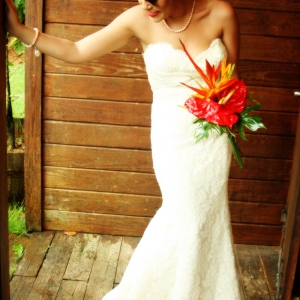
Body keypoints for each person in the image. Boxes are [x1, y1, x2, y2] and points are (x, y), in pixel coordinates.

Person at [5, 0, 244, 299]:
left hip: (212, 139)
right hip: (172, 137)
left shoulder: (221, 13)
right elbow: (76, 51)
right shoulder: (138, 18)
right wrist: (19, 29)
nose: (147, 4)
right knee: (184, 213)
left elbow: (232, 81)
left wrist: (230, 116)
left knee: (207, 216)